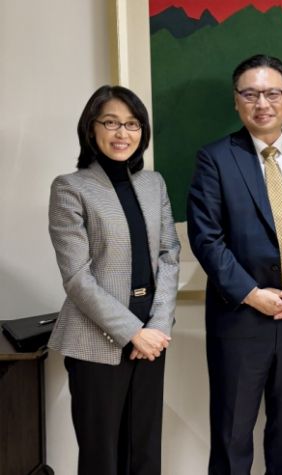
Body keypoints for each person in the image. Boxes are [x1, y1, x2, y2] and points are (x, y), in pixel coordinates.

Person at [187, 54, 282, 474]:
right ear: (236, 101)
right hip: (240, 319)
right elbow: (206, 238)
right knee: (232, 438)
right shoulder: (215, 158)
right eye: (250, 94)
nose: (262, 103)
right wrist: (251, 294)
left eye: (272, 93)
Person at [48, 85, 180, 475]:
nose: (122, 133)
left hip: (152, 339)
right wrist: (132, 332)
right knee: (101, 458)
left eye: (132, 124)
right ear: (92, 128)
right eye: (111, 122)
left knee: (145, 453)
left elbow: (169, 255)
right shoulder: (70, 188)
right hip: (96, 340)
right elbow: (76, 276)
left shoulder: (153, 183)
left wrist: (157, 326)